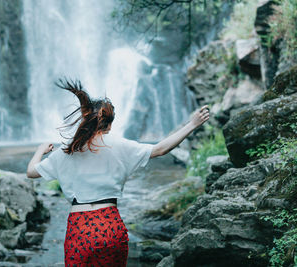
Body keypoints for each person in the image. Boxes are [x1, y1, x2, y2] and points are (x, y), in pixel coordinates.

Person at [26, 79, 210, 266]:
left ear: (86, 120)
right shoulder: (121, 145)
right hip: (110, 225)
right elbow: (160, 149)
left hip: (79, 227)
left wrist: (40, 150)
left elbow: (31, 172)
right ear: (110, 124)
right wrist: (192, 124)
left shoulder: (68, 150)